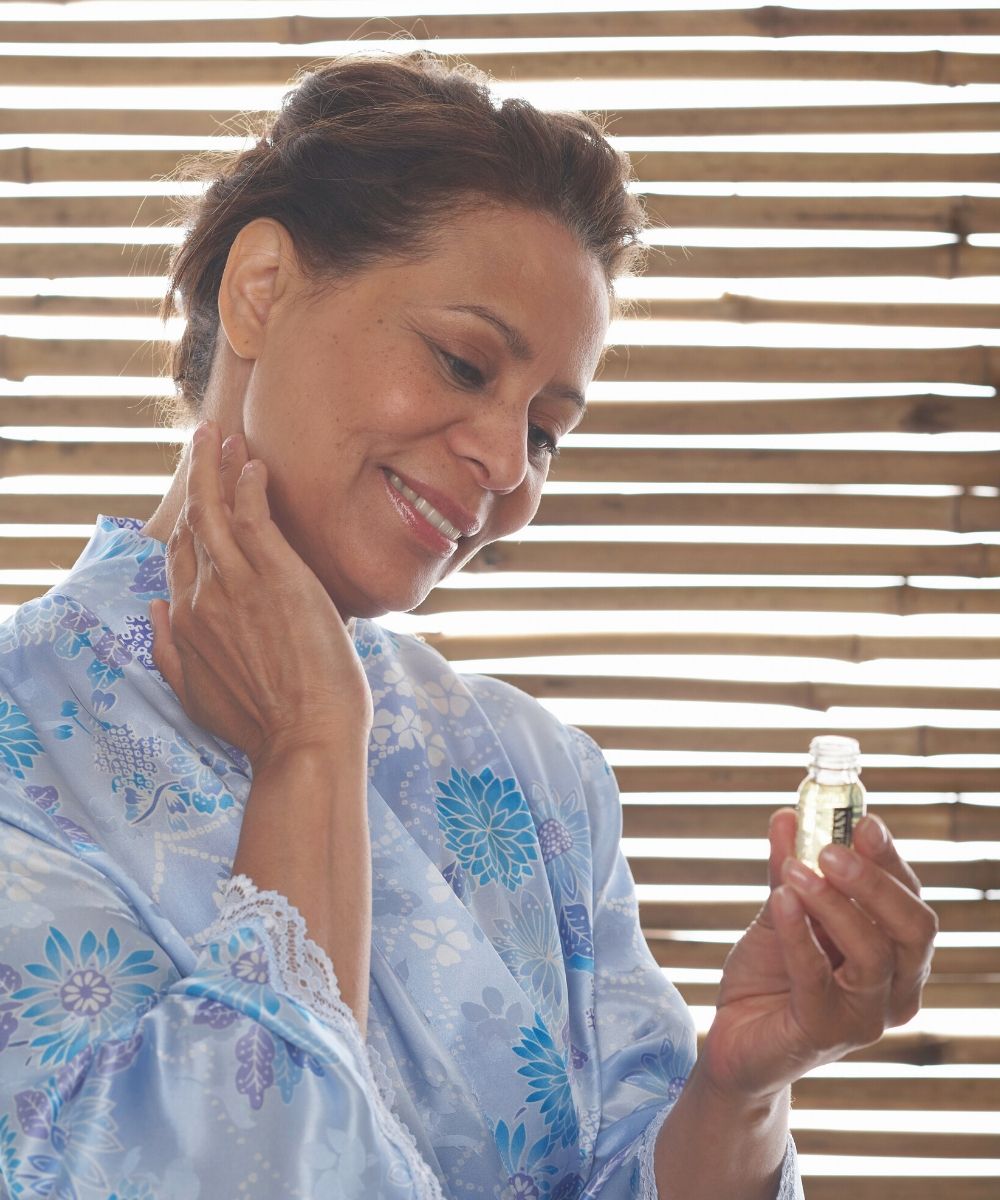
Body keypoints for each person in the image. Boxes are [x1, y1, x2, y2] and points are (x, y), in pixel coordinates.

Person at [0, 51, 936, 1200]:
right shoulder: (16, 731)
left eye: (545, 431)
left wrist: (739, 1090)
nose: (504, 464)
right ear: (261, 290)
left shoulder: (537, 781)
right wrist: (307, 751)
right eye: (461, 360)